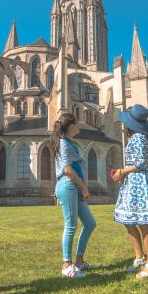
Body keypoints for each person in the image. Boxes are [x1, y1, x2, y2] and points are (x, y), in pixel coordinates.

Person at [112, 104, 148, 279]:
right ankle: (139, 258)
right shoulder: (137, 137)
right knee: (129, 220)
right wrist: (123, 174)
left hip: (140, 184)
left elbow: (141, 162)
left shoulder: (140, 137)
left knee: (143, 222)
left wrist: (122, 172)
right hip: (132, 183)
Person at [50, 113, 97, 279]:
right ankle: (66, 265)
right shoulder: (63, 143)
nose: (79, 126)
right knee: (70, 226)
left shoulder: (68, 143)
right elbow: (67, 170)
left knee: (90, 224)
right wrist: (84, 188)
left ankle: (79, 261)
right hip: (68, 185)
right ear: (71, 126)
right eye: (77, 123)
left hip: (73, 186)